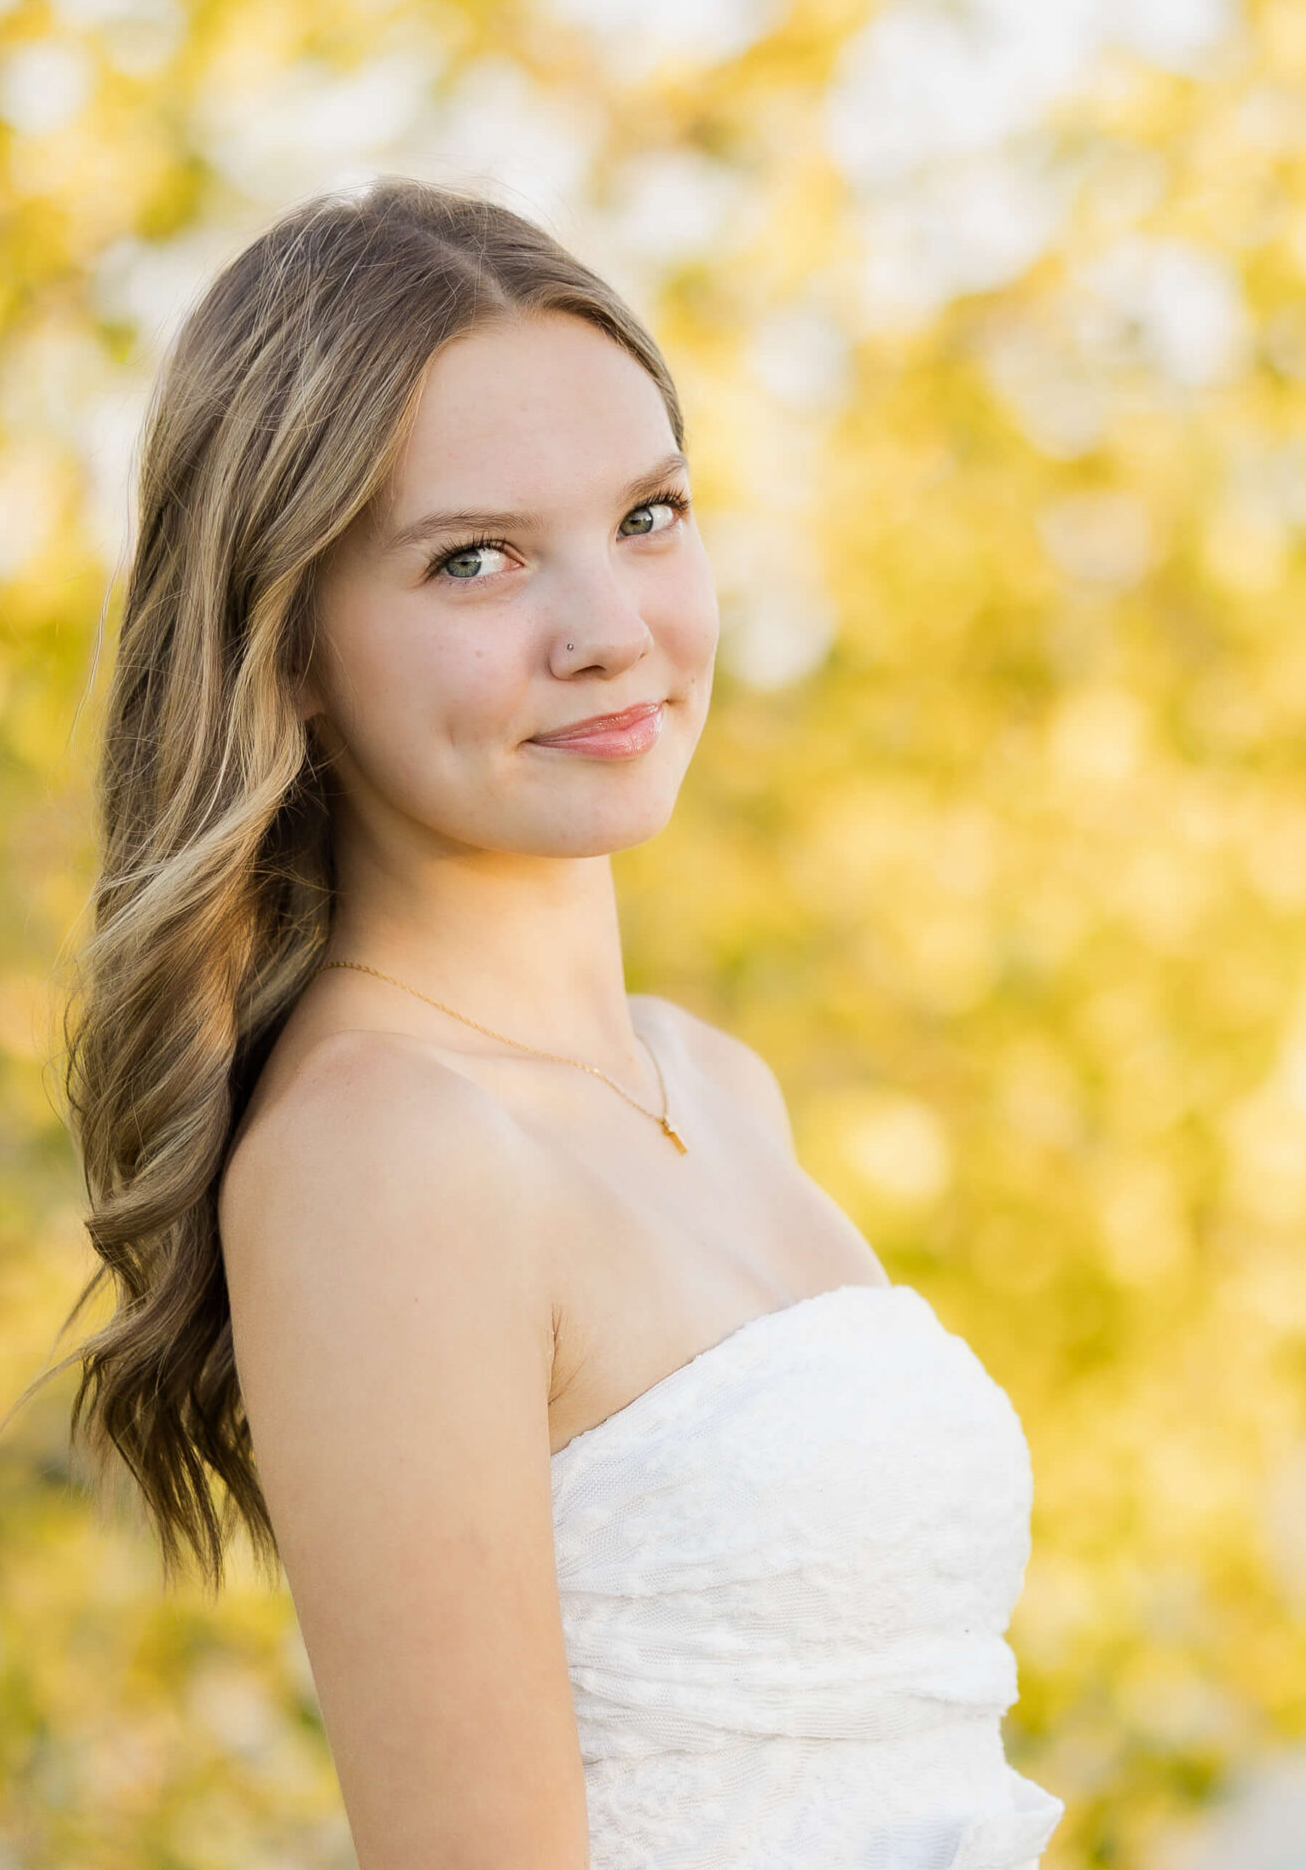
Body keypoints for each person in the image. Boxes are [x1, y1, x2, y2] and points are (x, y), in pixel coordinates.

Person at [53, 177, 1066, 1868]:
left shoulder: (712, 1085)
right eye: (478, 559)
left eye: (649, 517)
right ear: (290, 645)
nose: (610, 634)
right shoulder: (384, 1153)